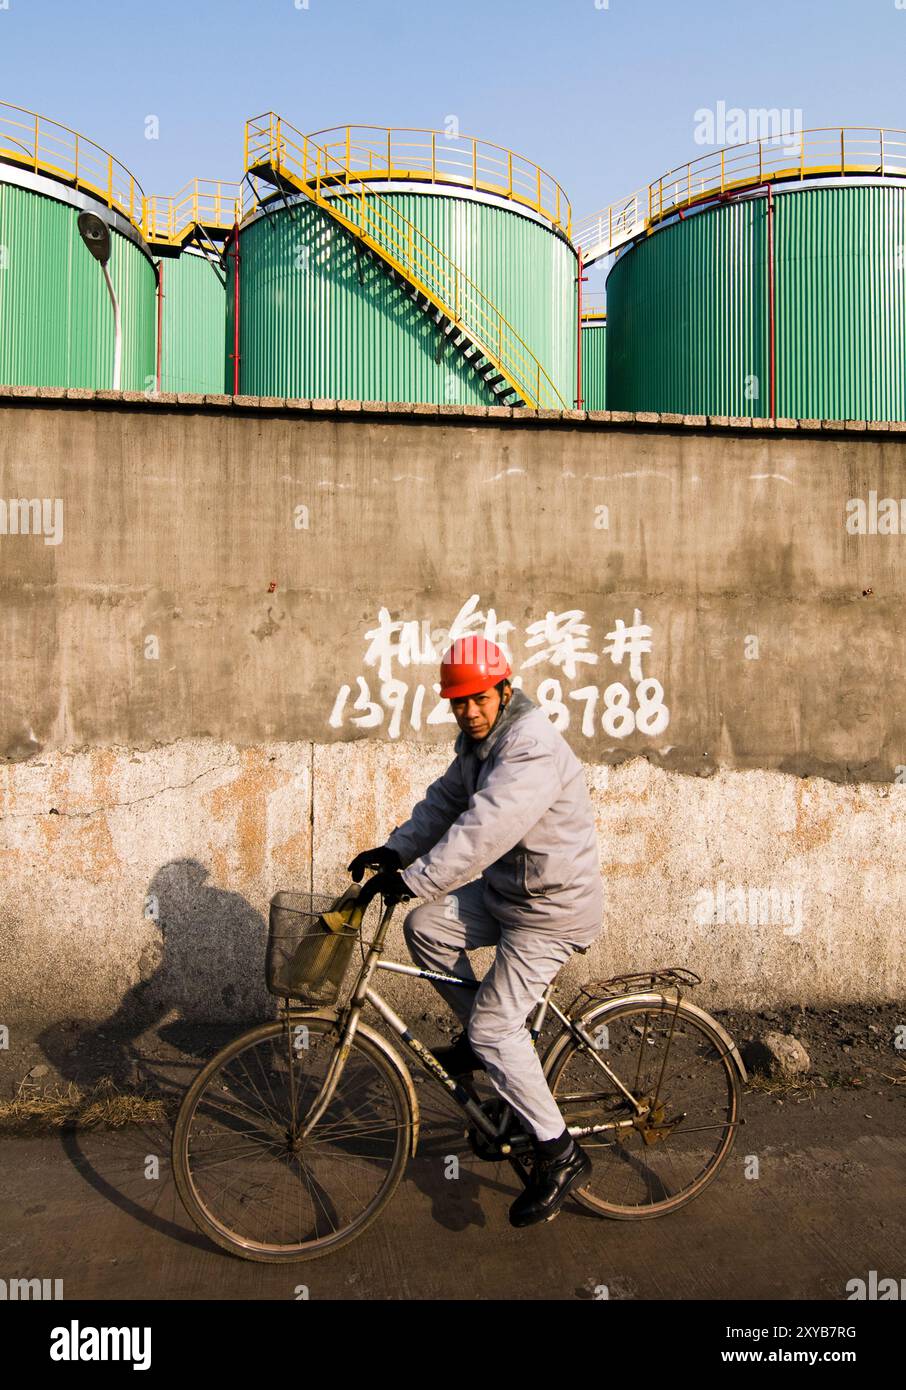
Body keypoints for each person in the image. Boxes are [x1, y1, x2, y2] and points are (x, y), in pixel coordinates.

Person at [348, 635, 604, 1228]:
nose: (468, 711)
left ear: (505, 690)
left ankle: (560, 1153)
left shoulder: (530, 748)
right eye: (458, 702)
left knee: (493, 1026)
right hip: (506, 894)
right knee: (428, 927)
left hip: (551, 910)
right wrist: (395, 850)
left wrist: (420, 877)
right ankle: (488, 1043)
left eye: (478, 699)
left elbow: (486, 828)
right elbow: (443, 806)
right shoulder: (477, 743)